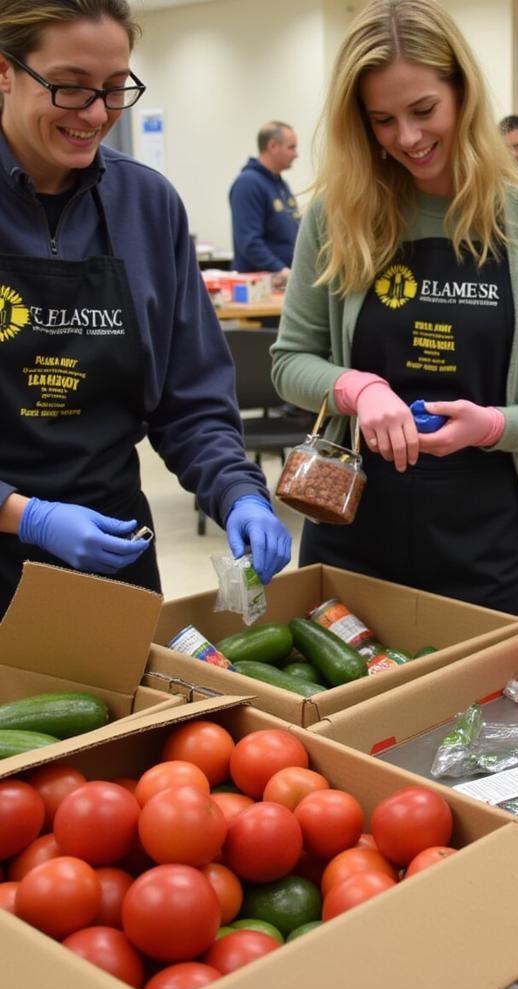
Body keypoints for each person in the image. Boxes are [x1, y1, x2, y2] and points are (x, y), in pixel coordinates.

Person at [271, 0, 518, 625]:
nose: (407, 139)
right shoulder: (340, 215)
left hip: (488, 537)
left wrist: (490, 426)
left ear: (462, 94)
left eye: (423, 111)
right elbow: (289, 362)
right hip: (352, 522)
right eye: (382, 120)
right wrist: (355, 388)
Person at [0, 0, 292, 616]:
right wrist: (24, 515)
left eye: (114, 89)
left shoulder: (148, 205)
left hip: (112, 549)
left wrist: (239, 492)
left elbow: (190, 399)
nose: (97, 114)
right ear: (5, 72)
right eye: (72, 88)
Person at [229, 120, 301, 278]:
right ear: (273, 146)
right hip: (262, 283)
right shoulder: (248, 184)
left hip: (284, 279)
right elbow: (249, 242)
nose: (296, 154)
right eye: (291, 147)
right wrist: (282, 270)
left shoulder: (280, 185)